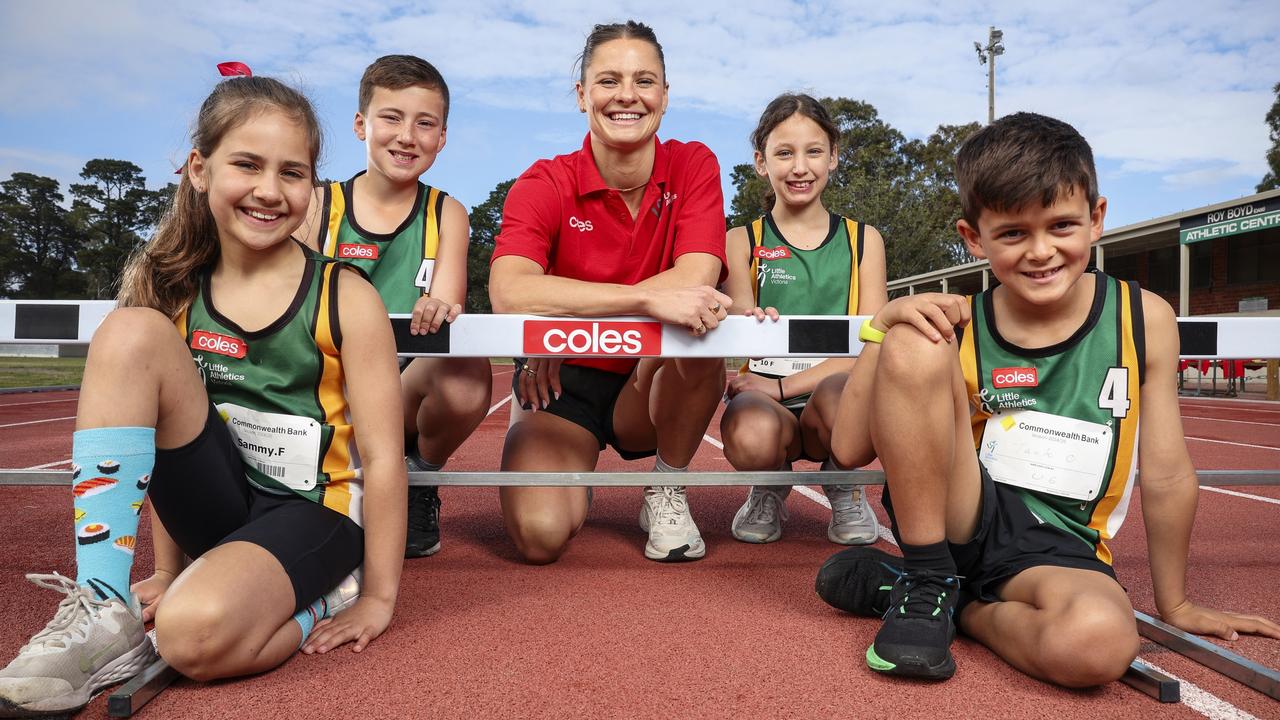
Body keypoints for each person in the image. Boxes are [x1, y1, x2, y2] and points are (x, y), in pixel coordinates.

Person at [814, 112, 1280, 684]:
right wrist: (881, 331)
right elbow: (849, 446)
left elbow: (1165, 473)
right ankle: (930, 576)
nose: (1041, 251)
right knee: (915, 334)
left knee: (1102, 643)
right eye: (1013, 233)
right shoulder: (959, 323)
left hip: (1060, 546)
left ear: (1097, 218)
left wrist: (1175, 603)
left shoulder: (1143, 318)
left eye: (1061, 226)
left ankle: (953, 606)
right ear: (973, 238)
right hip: (961, 515)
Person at [0, 75, 406, 717]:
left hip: (314, 513)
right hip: (223, 506)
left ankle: (327, 594)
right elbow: (164, 454)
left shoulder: (345, 297)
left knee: (191, 639)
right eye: (247, 164)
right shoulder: (176, 292)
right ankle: (101, 608)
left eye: (292, 172)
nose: (269, 191)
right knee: (129, 332)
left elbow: (384, 460)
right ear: (200, 169)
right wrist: (165, 571)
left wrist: (380, 597)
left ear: (312, 187)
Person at [489, 20, 731, 564]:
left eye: (644, 80)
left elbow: (695, 279)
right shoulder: (544, 182)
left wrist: (566, 305)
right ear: (582, 96)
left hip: (651, 375)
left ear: (665, 97)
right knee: (539, 538)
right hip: (561, 380)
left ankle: (667, 483)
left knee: (701, 340)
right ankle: (569, 476)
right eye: (608, 80)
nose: (627, 95)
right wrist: (643, 299)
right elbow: (509, 292)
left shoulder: (694, 165)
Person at [307, 55, 491, 559]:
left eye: (424, 123)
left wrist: (439, 306)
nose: (407, 135)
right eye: (392, 117)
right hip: (326, 388)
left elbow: (447, 301)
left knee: (465, 374)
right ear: (361, 124)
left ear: (442, 137)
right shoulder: (317, 206)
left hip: (400, 386)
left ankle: (418, 477)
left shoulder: (446, 211)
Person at [720, 93, 886, 546]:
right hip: (763, 395)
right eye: (784, 153)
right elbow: (737, 311)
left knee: (851, 398)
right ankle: (771, 482)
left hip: (830, 390)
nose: (799, 167)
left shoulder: (864, 241)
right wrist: (744, 313)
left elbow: (873, 347)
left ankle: (843, 480)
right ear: (761, 161)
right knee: (749, 434)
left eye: (814, 151)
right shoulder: (741, 239)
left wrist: (783, 386)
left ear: (833, 157)